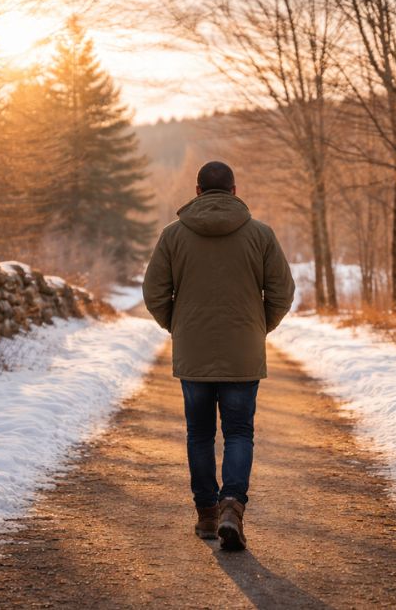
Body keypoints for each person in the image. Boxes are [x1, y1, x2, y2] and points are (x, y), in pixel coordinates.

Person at [142, 161, 295, 551]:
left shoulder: (173, 235)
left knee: (200, 434)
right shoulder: (260, 235)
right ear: (234, 190)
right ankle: (232, 506)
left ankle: (207, 514)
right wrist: (259, 326)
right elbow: (282, 291)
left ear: (197, 192)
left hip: (194, 352)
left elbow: (154, 293)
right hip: (242, 350)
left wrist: (179, 326)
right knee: (239, 432)